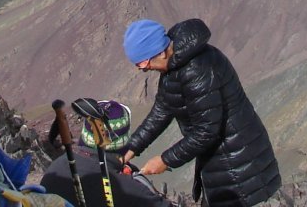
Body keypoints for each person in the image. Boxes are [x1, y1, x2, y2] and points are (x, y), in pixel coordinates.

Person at [106, 18, 279, 205]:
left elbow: (207, 131)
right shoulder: (174, 66)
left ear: (160, 52)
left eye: (143, 63)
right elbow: (162, 111)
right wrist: (130, 149)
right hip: (220, 160)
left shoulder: (197, 70)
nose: (144, 69)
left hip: (239, 163)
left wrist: (165, 160)